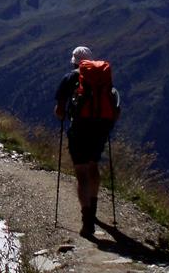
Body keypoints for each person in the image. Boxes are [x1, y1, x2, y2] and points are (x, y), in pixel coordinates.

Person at [54, 46, 115, 237]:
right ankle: (94, 209)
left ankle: (87, 220)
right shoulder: (102, 77)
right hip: (100, 128)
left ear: (74, 61)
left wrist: (65, 115)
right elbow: (114, 104)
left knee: (81, 173)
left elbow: (59, 110)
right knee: (93, 165)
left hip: (79, 129)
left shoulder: (69, 78)